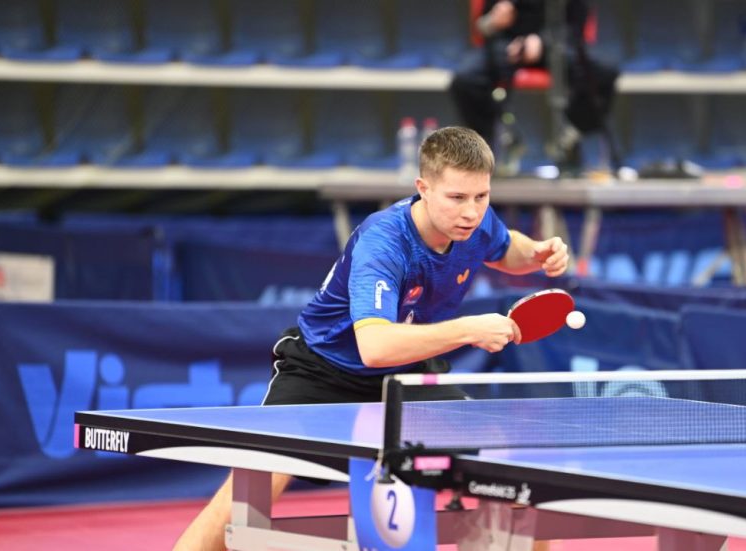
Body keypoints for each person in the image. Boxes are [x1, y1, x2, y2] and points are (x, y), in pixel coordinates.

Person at [172, 126, 570, 550]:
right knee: (248, 492)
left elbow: (504, 247)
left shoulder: (474, 223)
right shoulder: (384, 242)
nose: (471, 212)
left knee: (511, 464)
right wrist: (469, 329)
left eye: (481, 196)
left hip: (406, 376)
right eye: (457, 197)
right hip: (323, 373)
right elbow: (375, 348)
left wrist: (535, 254)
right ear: (423, 188)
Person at [449, 0, 620, 176]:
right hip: (507, 45)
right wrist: (493, 21)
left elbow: (577, 25)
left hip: (558, 43)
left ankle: (571, 134)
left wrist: (543, 42)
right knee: (466, 79)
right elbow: (483, 26)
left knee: (604, 72)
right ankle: (490, 143)